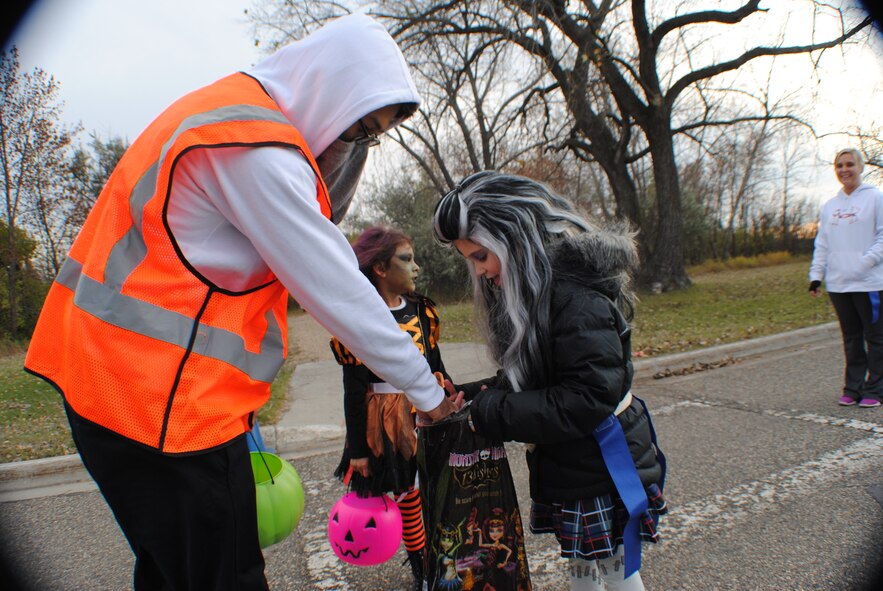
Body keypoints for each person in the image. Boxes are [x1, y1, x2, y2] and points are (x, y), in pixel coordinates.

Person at [23, 13, 458, 591]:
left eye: (370, 136)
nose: (356, 147)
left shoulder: (227, 111)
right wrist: (426, 393)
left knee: (174, 572)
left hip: (119, 390)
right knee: (224, 575)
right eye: (359, 129)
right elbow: (339, 288)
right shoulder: (256, 148)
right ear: (328, 92)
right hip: (165, 413)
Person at [432, 171, 666, 591]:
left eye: (482, 256)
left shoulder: (576, 297)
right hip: (574, 461)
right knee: (582, 566)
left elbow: (584, 398)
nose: (481, 271)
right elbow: (538, 376)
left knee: (617, 568)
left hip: (600, 462)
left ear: (514, 240)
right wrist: (473, 395)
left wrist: (492, 411)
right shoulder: (543, 292)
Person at [329, 225, 452, 590]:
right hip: (387, 422)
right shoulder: (356, 321)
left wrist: (449, 394)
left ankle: (443, 557)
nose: (416, 268)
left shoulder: (422, 311)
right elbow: (353, 391)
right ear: (380, 268)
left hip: (426, 411)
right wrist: (357, 450)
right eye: (406, 259)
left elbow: (437, 363)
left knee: (435, 492)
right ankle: (422, 571)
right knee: (408, 495)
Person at [809, 148, 883, 409]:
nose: (844, 170)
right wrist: (816, 276)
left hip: (869, 283)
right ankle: (853, 387)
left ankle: (875, 388)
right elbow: (823, 245)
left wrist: (863, 263)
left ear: (861, 167)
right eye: (839, 165)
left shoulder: (875, 198)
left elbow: (882, 238)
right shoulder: (830, 206)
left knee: (875, 338)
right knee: (851, 337)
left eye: (850, 164)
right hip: (839, 284)